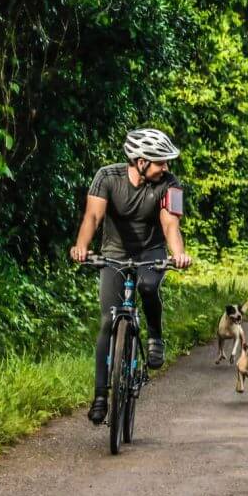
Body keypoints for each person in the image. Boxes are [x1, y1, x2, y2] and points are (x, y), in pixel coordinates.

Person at [70, 128, 192, 424]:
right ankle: (100, 396)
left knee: (149, 287)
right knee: (107, 320)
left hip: (151, 251)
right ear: (140, 161)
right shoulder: (107, 177)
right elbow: (93, 217)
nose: (166, 167)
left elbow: (170, 225)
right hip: (114, 252)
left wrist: (178, 254)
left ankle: (155, 338)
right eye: (160, 161)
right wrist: (81, 247)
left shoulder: (170, 185)